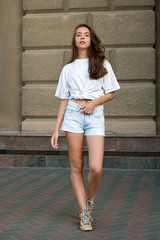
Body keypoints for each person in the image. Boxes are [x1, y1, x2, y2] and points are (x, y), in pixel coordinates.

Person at [51, 23, 120, 231]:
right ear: (74, 40)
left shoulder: (102, 63)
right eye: (78, 35)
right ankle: (84, 213)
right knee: (76, 167)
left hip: (94, 116)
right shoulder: (68, 68)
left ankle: (89, 200)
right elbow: (63, 100)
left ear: (91, 39)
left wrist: (95, 102)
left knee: (96, 168)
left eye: (86, 34)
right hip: (72, 115)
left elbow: (112, 92)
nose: (82, 37)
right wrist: (56, 129)